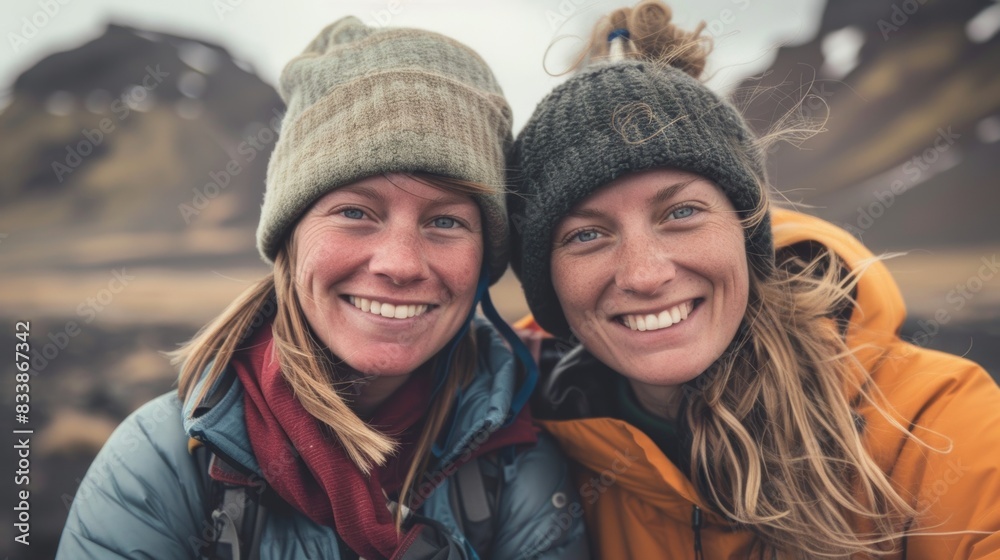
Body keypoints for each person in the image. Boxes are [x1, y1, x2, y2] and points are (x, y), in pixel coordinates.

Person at [57, 17, 589, 560]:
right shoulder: (160, 465)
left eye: (446, 221)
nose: (401, 265)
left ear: (485, 259)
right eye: (355, 212)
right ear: (289, 239)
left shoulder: (517, 461)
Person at [507, 1, 1000, 558]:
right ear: (546, 281)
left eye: (681, 213)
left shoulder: (935, 420)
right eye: (586, 236)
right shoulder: (523, 449)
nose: (644, 275)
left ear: (747, 233)